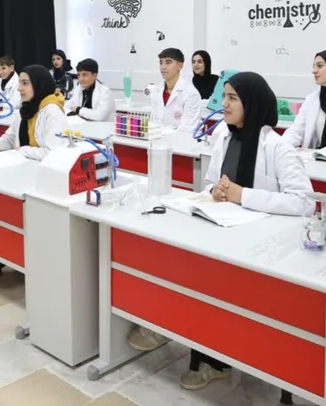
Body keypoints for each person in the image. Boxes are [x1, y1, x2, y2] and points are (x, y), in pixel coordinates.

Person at [134, 72, 316, 390]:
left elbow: (304, 202)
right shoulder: (224, 137)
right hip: (224, 229)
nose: (225, 105)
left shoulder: (277, 147)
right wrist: (215, 191)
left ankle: (215, 361)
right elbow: (210, 182)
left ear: (252, 104)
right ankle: (172, 329)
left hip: (262, 243)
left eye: (233, 99)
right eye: (225, 97)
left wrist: (242, 195)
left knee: (215, 288)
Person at [0, 65, 68, 161]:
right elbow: (9, 139)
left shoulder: (52, 111)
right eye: (19, 83)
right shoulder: (26, 109)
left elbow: (52, 152)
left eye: (25, 83)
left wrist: (23, 150)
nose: (19, 88)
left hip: (43, 168)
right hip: (23, 164)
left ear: (39, 85)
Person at [148, 48, 202, 132]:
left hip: (182, 139)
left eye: (168, 62)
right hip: (158, 137)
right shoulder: (156, 91)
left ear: (180, 66)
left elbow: (187, 129)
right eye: (161, 63)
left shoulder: (191, 94)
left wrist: (160, 131)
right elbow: (153, 122)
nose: (163, 67)